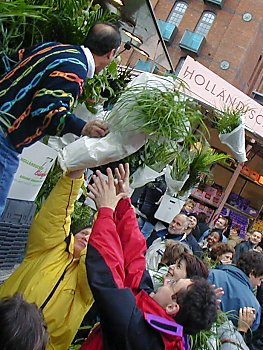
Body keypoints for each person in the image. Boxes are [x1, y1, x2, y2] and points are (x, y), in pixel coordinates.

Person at [81, 164, 218, 350]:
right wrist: (123, 203)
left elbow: (108, 278)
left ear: (172, 307)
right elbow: (135, 264)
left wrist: (105, 211)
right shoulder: (161, 326)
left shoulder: (140, 333)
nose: (166, 280)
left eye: (172, 284)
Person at [0, 22, 121, 216]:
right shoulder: (75, 70)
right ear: (111, 53)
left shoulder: (54, 47)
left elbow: (9, 61)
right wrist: (83, 127)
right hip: (6, 137)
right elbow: (47, 111)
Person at [0, 169, 94, 350]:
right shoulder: (49, 248)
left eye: (93, 237)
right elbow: (55, 216)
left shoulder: (86, 286)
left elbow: (98, 259)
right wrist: (76, 173)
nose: (87, 237)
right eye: (84, 232)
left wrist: (107, 211)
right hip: (4, 325)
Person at [208, 250, 263, 331]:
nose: (259, 284)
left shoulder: (211, 274)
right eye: (260, 279)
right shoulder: (254, 306)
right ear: (252, 273)